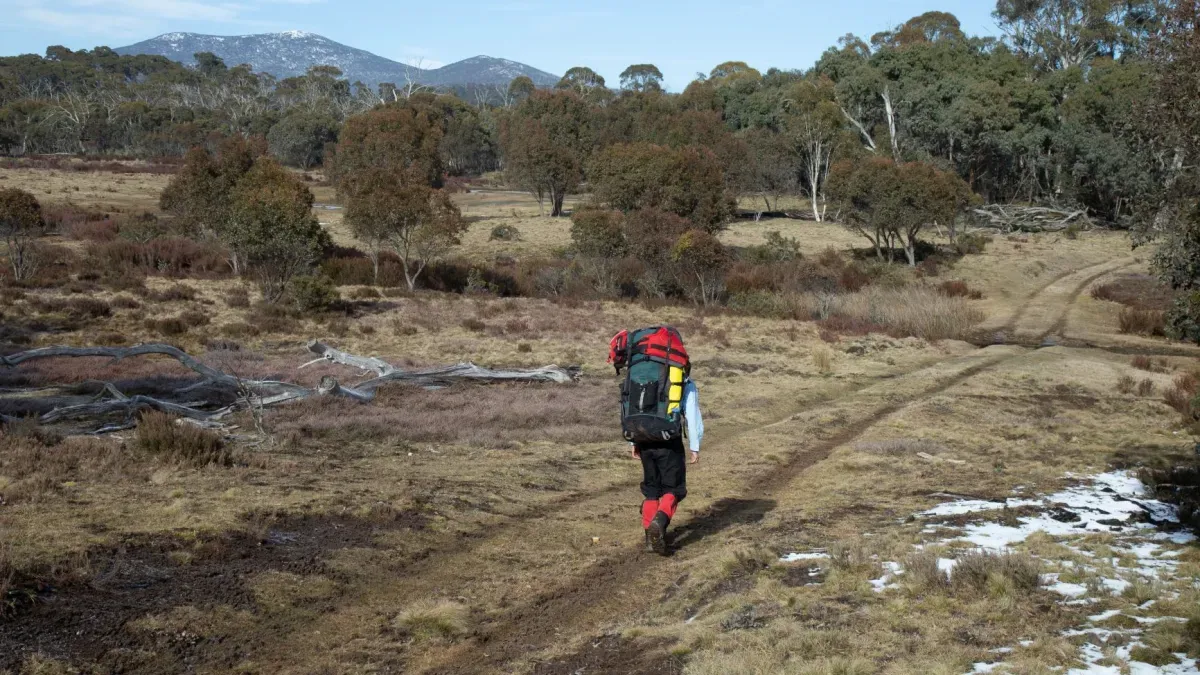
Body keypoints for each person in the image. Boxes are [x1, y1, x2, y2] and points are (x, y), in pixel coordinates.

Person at [634, 379, 703, 555]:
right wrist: (694, 446)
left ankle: (650, 539)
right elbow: (692, 416)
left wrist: (634, 442)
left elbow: (635, 407)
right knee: (674, 488)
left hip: (643, 438)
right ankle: (660, 522)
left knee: (651, 490)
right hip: (669, 440)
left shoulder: (642, 373)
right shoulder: (684, 381)